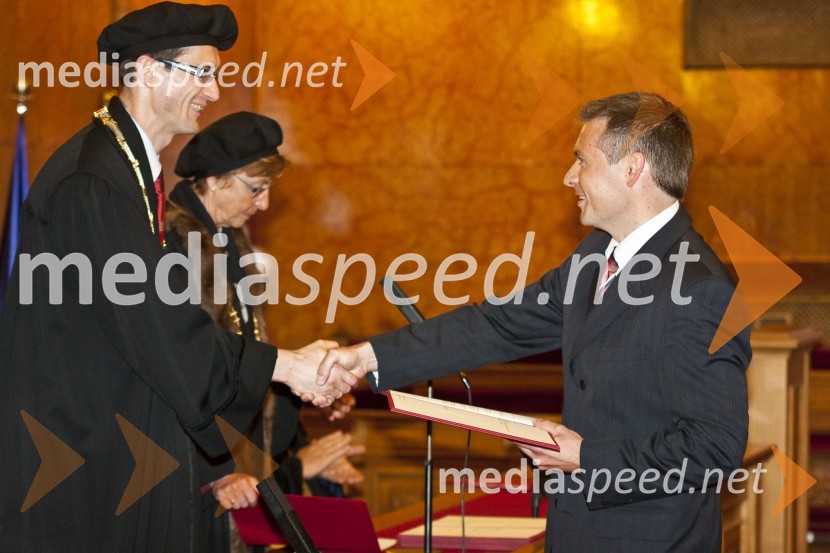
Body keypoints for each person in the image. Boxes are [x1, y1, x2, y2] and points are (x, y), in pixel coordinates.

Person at [318, 92, 751, 552]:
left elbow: (713, 450)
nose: (569, 177)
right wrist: (365, 357)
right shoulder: (593, 256)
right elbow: (497, 325)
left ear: (632, 168)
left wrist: (584, 457)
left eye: (581, 160)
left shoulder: (701, 287)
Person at [0, 4, 356, 552]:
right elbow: (163, 332)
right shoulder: (94, 181)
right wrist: (288, 367)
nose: (215, 92)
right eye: (204, 73)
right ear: (147, 71)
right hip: (87, 473)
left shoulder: (127, 170)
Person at [165, 111, 364, 553]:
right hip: (186, 477)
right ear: (215, 180)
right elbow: (182, 372)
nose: (265, 204)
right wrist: (216, 471)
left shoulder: (227, 240)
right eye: (257, 188)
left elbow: (246, 358)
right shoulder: (172, 246)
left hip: (234, 471)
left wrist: (310, 390)